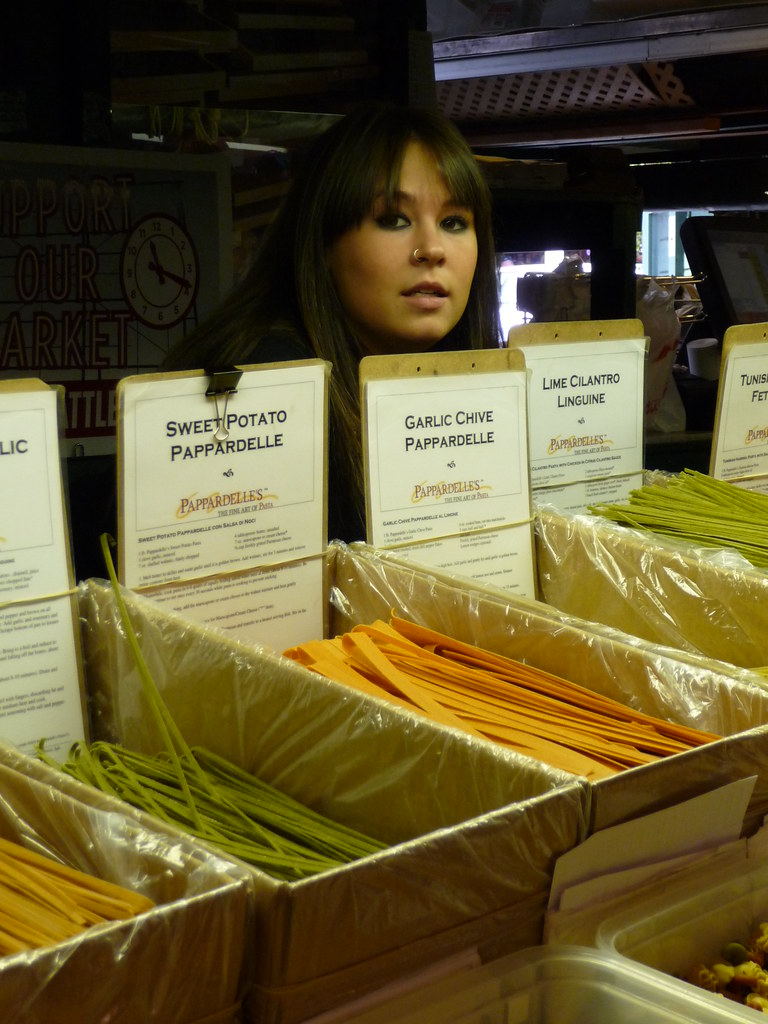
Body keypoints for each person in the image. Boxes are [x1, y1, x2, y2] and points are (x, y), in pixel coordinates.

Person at [164, 101, 502, 541]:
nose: (431, 249)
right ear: (324, 243)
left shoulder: (440, 386)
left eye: (454, 222)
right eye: (394, 219)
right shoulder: (263, 383)